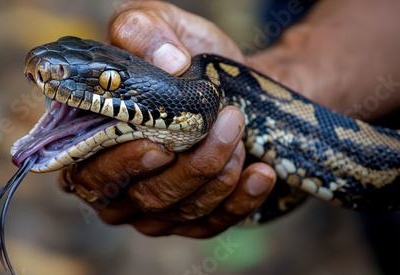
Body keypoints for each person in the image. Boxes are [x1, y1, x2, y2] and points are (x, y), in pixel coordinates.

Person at [59, 0, 400, 238]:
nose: (56, 75)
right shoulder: (201, 77)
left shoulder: (196, 98)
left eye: (107, 84)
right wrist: (291, 72)